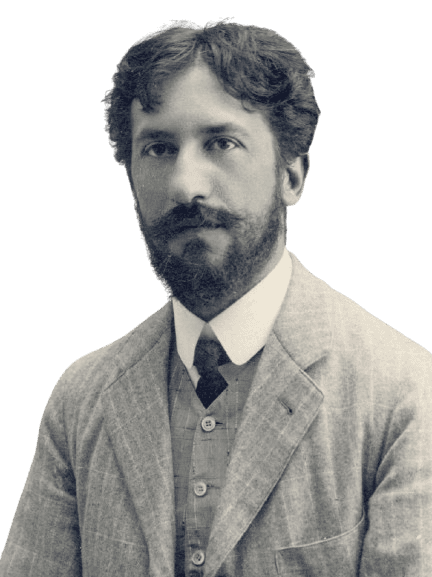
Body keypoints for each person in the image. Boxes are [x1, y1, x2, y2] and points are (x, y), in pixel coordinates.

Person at [1, 19, 431, 577]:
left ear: (293, 176)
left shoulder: (404, 395)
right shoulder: (81, 400)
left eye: (221, 143)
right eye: (158, 148)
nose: (185, 184)